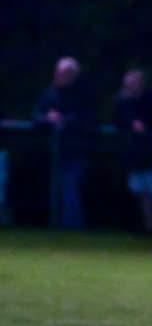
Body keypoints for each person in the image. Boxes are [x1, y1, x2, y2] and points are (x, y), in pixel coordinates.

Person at [33, 57, 95, 228]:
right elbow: (36, 116)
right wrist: (47, 118)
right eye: (58, 73)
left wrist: (64, 120)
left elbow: (87, 119)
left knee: (71, 189)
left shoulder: (83, 94)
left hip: (75, 151)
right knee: (57, 190)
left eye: (64, 73)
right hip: (52, 152)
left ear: (73, 75)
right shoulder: (50, 92)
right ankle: (57, 225)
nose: (59, 76)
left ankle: (72, 227)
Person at [113, 69, 152, 233]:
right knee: (142, 193)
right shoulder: (122, 101)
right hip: (135, 155)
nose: (130, 86)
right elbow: (118, 121)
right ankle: (150, 226)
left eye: (133, 83)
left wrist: (145, 127)